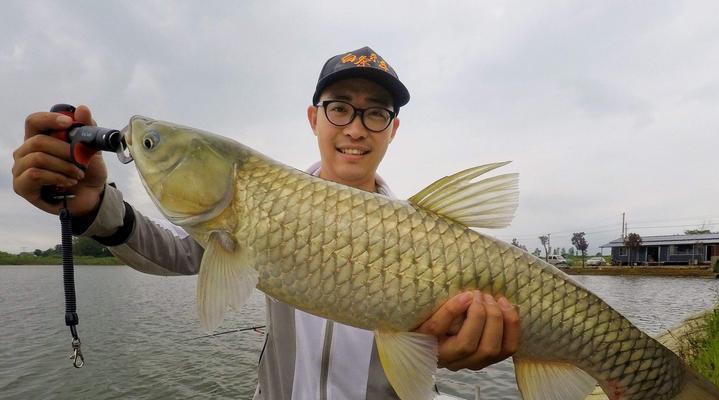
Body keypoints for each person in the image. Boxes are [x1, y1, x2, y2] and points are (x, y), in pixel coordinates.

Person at [12, 46, 520, 398]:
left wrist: (454, 349)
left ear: (393, 130)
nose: (356, 129)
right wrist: (91, 204)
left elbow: (440, 348)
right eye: (339, 108)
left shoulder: (431, 235)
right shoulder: (254, 207)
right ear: (313, 118)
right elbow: (171, 251)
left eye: (376, 114)